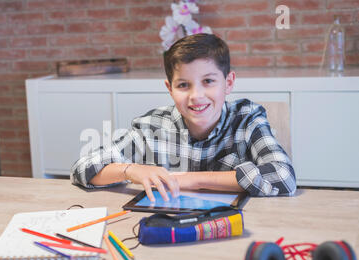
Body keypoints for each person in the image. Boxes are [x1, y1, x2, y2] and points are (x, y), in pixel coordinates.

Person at [71, 33, 296, 201]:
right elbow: (82, 168)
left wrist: (190, 180)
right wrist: (132, 171)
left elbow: (283, 175)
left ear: (228, 83)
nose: (196, 96)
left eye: (208, 81)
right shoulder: (152, 128)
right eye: (183, 85)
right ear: (170, 89)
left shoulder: (247, 119)